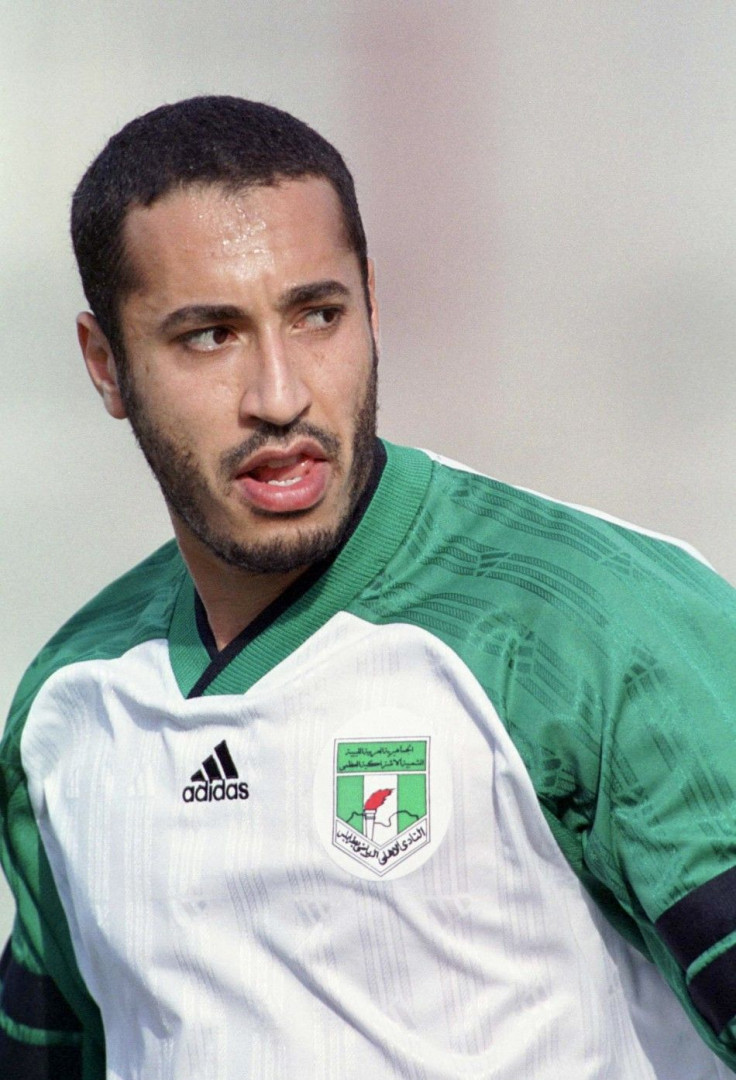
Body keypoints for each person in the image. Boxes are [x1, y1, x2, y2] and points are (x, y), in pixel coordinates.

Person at [1, 95, 735, 1080]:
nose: (279, 393)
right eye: (210, 335)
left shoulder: (596, 629)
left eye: (316, 315)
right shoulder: (73, 702)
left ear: (371, 306)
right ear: (107, 366)